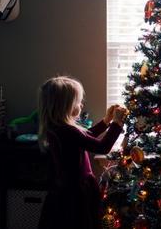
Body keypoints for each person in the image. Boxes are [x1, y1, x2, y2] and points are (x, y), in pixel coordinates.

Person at [37, 76, 126, 229]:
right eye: (77, 102)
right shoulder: (68, 131)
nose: (81, 104)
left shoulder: (58, 127)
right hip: (76, 193)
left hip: (66, 190)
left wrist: (106, 121)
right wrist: (117, 123)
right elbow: (102, 147)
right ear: (65, 106)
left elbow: (86, 137)